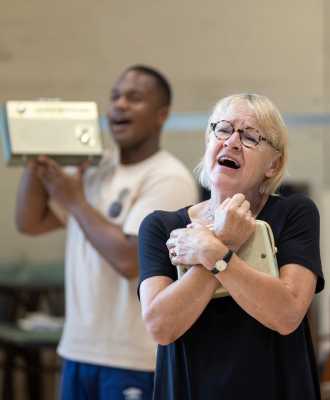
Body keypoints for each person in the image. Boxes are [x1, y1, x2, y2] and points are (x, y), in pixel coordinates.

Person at [15, 65, 199, 400]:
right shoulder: (95, 169)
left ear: (161, 115)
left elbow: (130, 260)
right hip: (78, 351)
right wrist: (35, 151)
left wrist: (76, 201)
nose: (120, 105)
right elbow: (30, 222)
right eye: (115, 96)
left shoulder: (168, 177)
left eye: (134, 98)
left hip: (131, 358)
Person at [138, 93, 324, 400]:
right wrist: (225, 239)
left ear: (273, 164)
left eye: (251, 136)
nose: (232, 142)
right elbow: (161, 325)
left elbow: (287, 315)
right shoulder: (161, 227)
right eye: (222, 129)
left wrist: (214, 252)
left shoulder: (295, 213)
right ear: (209, 142)